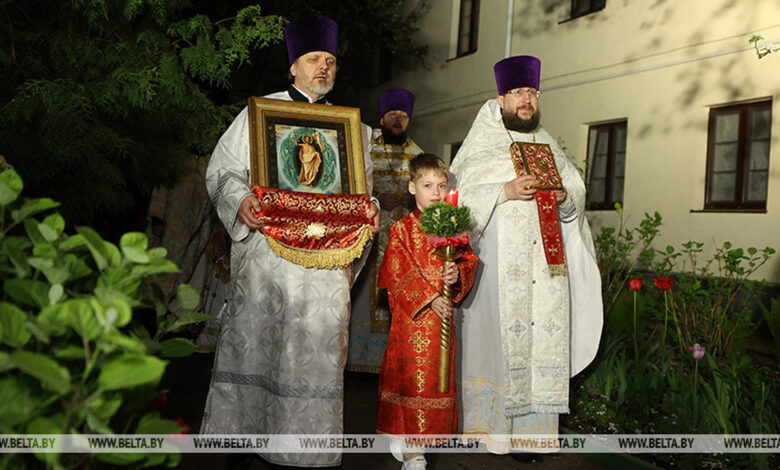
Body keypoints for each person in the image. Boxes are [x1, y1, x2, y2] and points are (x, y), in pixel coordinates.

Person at [201, 15, 380, 468]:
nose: (323, 67)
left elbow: (361, 192)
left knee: (313, 361)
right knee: (257, 348)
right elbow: (221, 171)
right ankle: (241, 451)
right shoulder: (260, 113)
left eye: (330, 61)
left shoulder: (354, 129)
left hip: (323, 276)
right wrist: (239, 199)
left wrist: (371, 209)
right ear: (292, 68)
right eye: (314, 59)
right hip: (269, 265)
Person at [450, 55, 603, 455]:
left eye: (532, 92)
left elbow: (576, 198)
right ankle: (487, 431)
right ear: (501, 98)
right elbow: (458, 197)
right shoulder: (481, 143)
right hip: (497, 273)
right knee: (497, 346)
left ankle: (532, 437)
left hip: (547, 271)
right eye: (518, 92)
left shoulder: (548, 143)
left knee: (541, 346)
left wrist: (567, 197)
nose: (527, 100)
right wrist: (505, 190)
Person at [376, 153, 478, 470]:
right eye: (427, 185)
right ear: (411, 187)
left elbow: (469, 261)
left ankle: (417, 441)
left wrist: (457, 274)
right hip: (412, 321)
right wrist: (430, 297)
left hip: (442, 321)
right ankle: (413, 450)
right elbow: (396, 272)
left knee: (438, 380)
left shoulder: (453, 228)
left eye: (441, 185)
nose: (435, 192)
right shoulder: (402, 230)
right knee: (411, 382)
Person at [348, 88, 424, 373]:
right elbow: (355, 185)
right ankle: (358, 361)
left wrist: (409, 199)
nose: (397, 120)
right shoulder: (365, 150)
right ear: (382, 119)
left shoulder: (418, 156)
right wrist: (378, 193)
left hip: (402, 238)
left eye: (403, 116)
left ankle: (389, 364)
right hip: (370, 234)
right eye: (392, 115)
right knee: (364, 290)